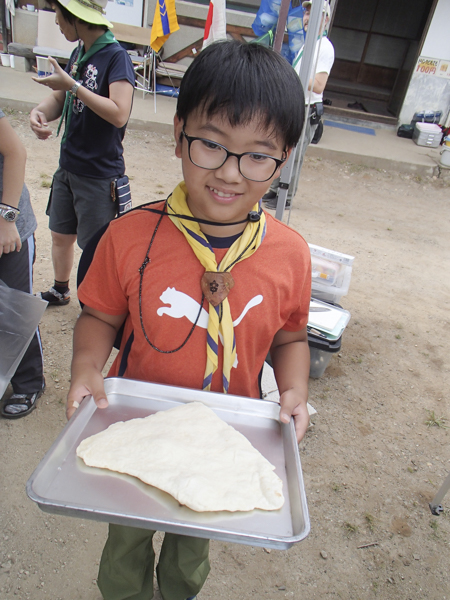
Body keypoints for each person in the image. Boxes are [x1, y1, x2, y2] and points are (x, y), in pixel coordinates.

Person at [67, 40, 311, 600]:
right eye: (211, 145)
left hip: (228, 435)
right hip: (139, 427)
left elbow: (291, 336)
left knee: (192, 544)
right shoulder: (129, 237)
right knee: (126, 540)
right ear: (179, 133)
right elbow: (99, 317)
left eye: (257, 155)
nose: (229, 172)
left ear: (285, 157)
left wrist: (294, 388)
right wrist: (86, 367)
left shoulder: (290, 254)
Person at [29, 0, 135, 306]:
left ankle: (95, 305)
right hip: (69, 166)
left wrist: (73, 86)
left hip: (99, 174)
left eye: (59, 17)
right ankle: (61, 289)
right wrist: (40, 112)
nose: (57, 24)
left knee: (95, 246)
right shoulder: (80, 52)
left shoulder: (116, 57)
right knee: (60, 234)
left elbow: (119, 113)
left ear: (76, 18)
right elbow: (61, 97)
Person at [263, 0, 334, 209]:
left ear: (325, 19)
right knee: (283, 148)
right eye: (306, 13)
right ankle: (275, 189)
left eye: (314, 14)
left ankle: (287, 195)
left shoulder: (325, 47)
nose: (307, 18)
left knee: (294, 154)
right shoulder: (309, 44)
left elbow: (319, 85)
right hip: (297, 103)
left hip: (308, 107)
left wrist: (294, 77)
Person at [0, 109, 45, 418]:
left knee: (16, 308)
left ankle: (29, 381)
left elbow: (16, 151)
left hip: (8, 225)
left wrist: (6, 217)